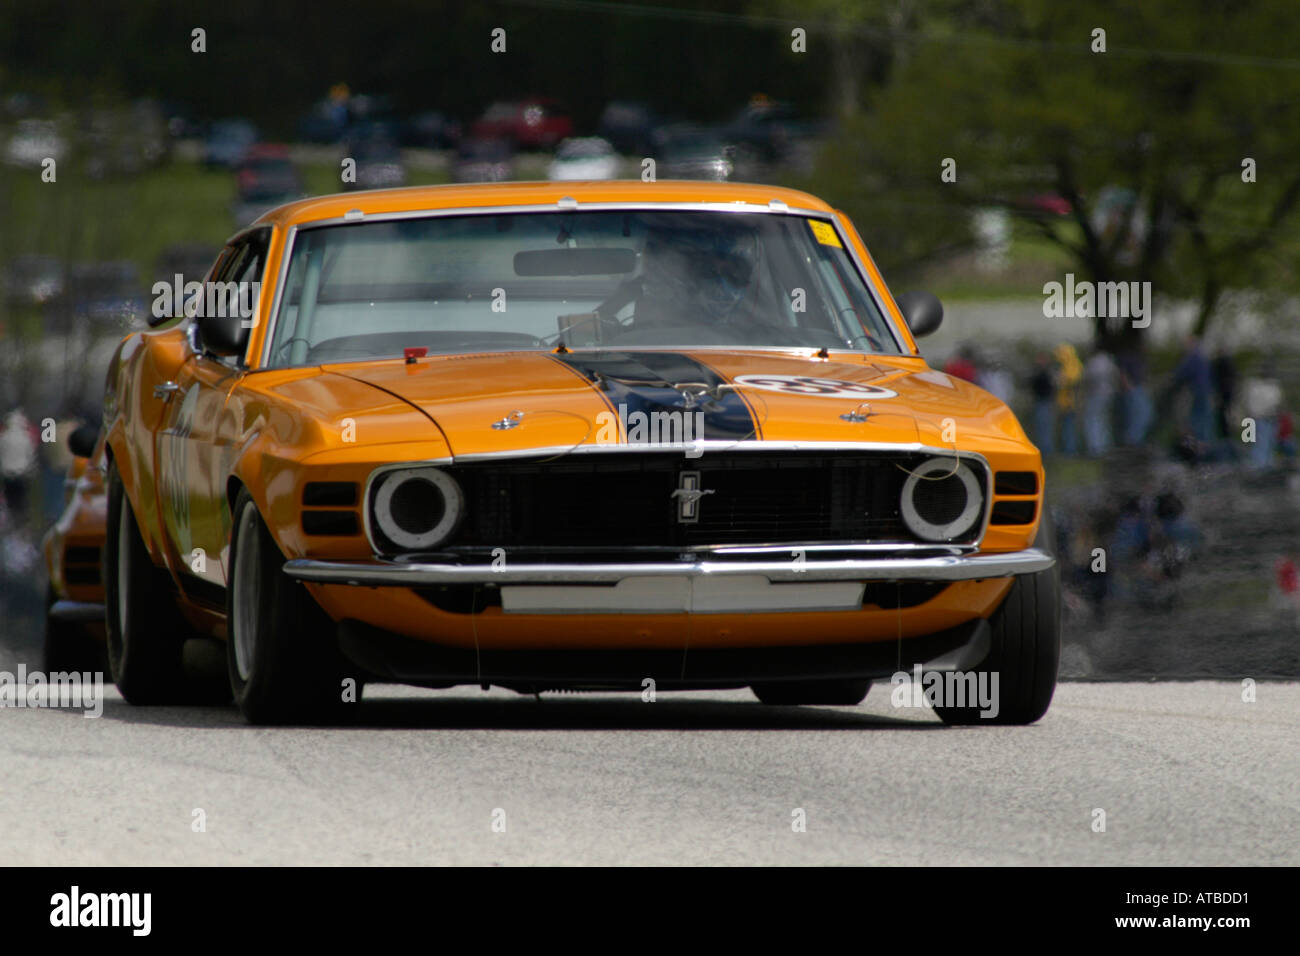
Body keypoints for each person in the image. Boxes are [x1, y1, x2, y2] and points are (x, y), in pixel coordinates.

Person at [1171, 335, 1214, 443]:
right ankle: (1204, 441)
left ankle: (1196, 441)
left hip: (1196, 390)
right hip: (1206, 390)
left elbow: (1181, 372)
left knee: (1196, 416)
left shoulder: (1193, 357)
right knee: (1204, 416)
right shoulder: (1203, 358)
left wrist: (1172, 377)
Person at [0, 409, 38, 525]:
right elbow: (30, 455)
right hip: (22, 473)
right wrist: (31, 469)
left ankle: (11, 519)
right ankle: (21, 520)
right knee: (22, 498)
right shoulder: (26, 438)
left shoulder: (3, 438)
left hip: (7, 473)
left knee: (10, 498)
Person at [1082, 348, 1118, 456]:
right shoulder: (1110, 361)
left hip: (1095, 394)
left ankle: (1095, 447)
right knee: (1104, 421)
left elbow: (1087, 378)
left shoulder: (1094, 362)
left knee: (1093, 420)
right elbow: (1115, 376)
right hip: (1108, 394)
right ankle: (1105, 446)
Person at [1116, 347, 1153, 447]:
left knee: (1144, 416)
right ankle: (1132, 443)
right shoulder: (1127, 356)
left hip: (1138, 388)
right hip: (1133, 389)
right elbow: (1122, 373)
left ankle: (1136, 442)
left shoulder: (1137, 357)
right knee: (1137, 417)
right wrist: (1128, 387)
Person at [1054, 343, 1083, 455]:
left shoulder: (1072, 365)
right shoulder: (1066, 366)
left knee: (1069, 428)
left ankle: (1070, 451)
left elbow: (1071, 382)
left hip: (1070, 403)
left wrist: (1060, 381)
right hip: (1064, 402)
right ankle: (1068, 450)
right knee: (1066, 428)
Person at [1028, 352, 1056, 455]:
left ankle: (1046, 449)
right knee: (1041, 426)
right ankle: (1043, 448)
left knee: (1045, 426)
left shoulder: (1045, 373)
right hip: (1040, 401)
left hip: (1044, 401)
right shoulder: (1039, 372)